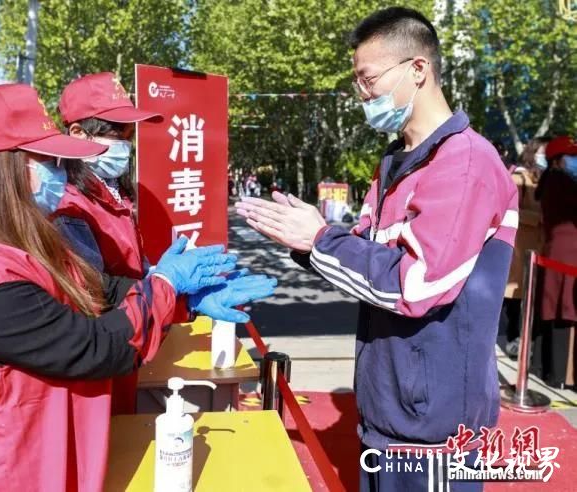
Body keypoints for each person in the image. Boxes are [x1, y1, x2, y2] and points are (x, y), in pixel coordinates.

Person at [0, 83, 275, 491]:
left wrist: (186, 298)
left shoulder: (13, 246)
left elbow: (95, 288)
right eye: (47, 159)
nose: (59, 171)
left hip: (42, 461)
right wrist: (164, 283)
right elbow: (93, 347)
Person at [236, 7, 518, 491]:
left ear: (418, 69)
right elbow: (367, 255)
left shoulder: (464, 163)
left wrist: (319, 240)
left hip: (435, 425)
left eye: (368, 80)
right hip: (388, 407)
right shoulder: (395, 161)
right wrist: (309, 244)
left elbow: (418, 284)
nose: (362, 95)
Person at [54, 72, 265, 415]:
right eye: (117, 131)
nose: (128, 141)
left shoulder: (114, 194)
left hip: (130, 356)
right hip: (99, 374)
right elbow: (98, 293)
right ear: (77, 132)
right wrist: (168, 284)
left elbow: (129, 276)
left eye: (130, 131)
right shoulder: (68, 206)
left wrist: (185, 298)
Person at [535, 135, 577, 388]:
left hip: (555, 249)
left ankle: (543, 368)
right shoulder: (563, 181)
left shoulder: (550, 180)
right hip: (569, 252)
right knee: (565, 311)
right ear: (559, 159)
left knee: (549, 310)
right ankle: (561, 376)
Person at [502, 137, 549, 359]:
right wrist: (540, 218)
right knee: (516, 298)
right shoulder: (518, 177)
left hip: (541, 249)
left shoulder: (546, 180)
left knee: (532, 298)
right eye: (543, 152)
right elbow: (509, 210)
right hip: (520, 247)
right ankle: (512, 341)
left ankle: (527, 343)